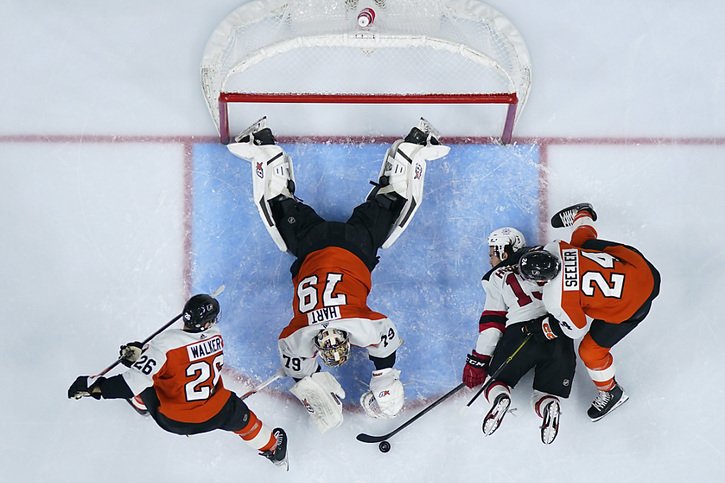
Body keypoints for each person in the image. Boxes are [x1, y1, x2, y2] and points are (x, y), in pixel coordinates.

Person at [227, 117, 450, 432]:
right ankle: (264, 147)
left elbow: (385, 350)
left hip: (356, 246)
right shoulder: (300, 334)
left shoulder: (360, 326)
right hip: (311, 244)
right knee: (278, 205)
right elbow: (299, 367)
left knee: (393, 205)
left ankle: (413, 148)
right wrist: (310, 387)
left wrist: (383, 381)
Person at [67, 294, 289, 469]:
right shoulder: (217, 336)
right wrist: (144, 357)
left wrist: (94, 387)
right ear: (208, 323)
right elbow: (185, 356)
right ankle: (274, 450)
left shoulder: (166, 344)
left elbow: (130, 383)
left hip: (171, 419)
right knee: (243, 419)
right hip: (214, 412)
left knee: (145, 380)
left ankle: (141, 404)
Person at [518, 203, 661, 421]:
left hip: (636, 303)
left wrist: (546, 327)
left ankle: (611, 392)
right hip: (641, 266)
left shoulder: (555, 298)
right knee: (581, 243)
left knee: (590, 351)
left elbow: (576, 328)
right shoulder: (557, 247)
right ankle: (582, 214)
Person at [462, 227, 576, 444]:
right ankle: (549, 407)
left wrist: (479, 360)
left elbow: (492, 323)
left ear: (504, 252)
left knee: (495, 382)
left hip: (521, 333)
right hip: (558, 332)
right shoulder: (550, 260)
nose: (490, 261)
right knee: (546, 392)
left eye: (492, 254)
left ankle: (501, 398)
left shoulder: (497, 276)